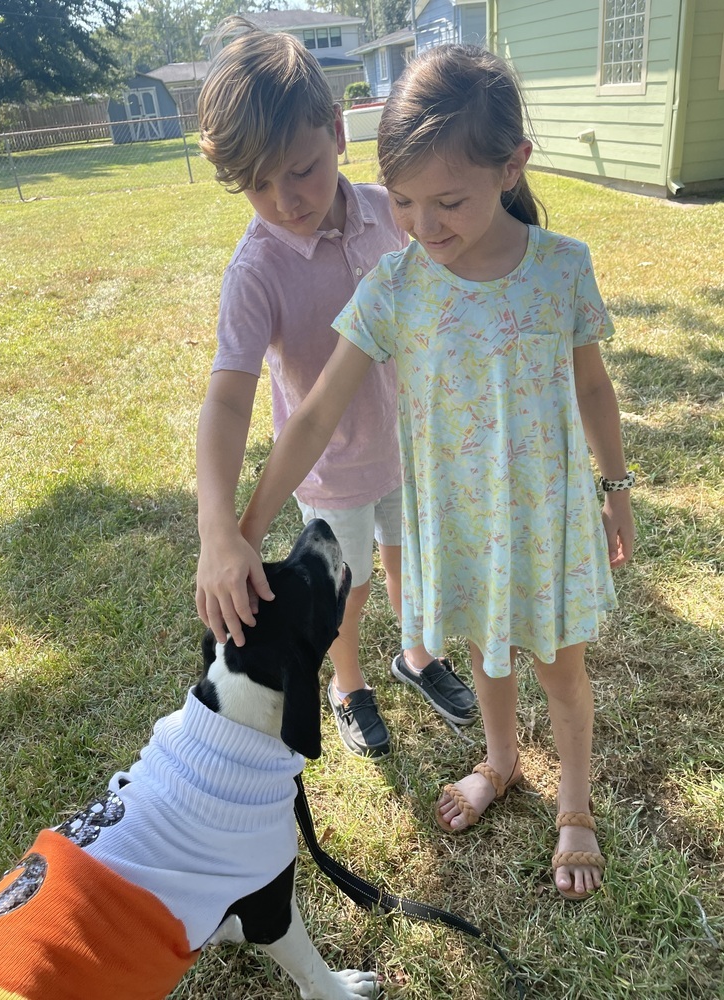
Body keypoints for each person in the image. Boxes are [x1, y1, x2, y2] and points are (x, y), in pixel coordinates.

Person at [234, 43, 635, 900]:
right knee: (487, 652)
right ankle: (500, 761)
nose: (423, 224)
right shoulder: (394, 286)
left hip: (547, 513)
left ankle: (576, 808)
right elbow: (313, 416)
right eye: (406, 202)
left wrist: (617, 489)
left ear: (512, 165)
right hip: (456, 520)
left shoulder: (561, 267)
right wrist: (240, 528)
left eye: (449, 201)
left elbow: (594, 385)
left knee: (560, 667)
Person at [195, 21, 477, 762]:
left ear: (336, 131)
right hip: (332, 471)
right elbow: (228, 399)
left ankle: (417, 655)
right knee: (344, 588)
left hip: (410, 446)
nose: (285, 199)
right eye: (257, 184)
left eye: (301, 169)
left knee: (409, 561)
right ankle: (348, 684)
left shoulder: (392, 211)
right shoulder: (256, 271)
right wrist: (220, 525)